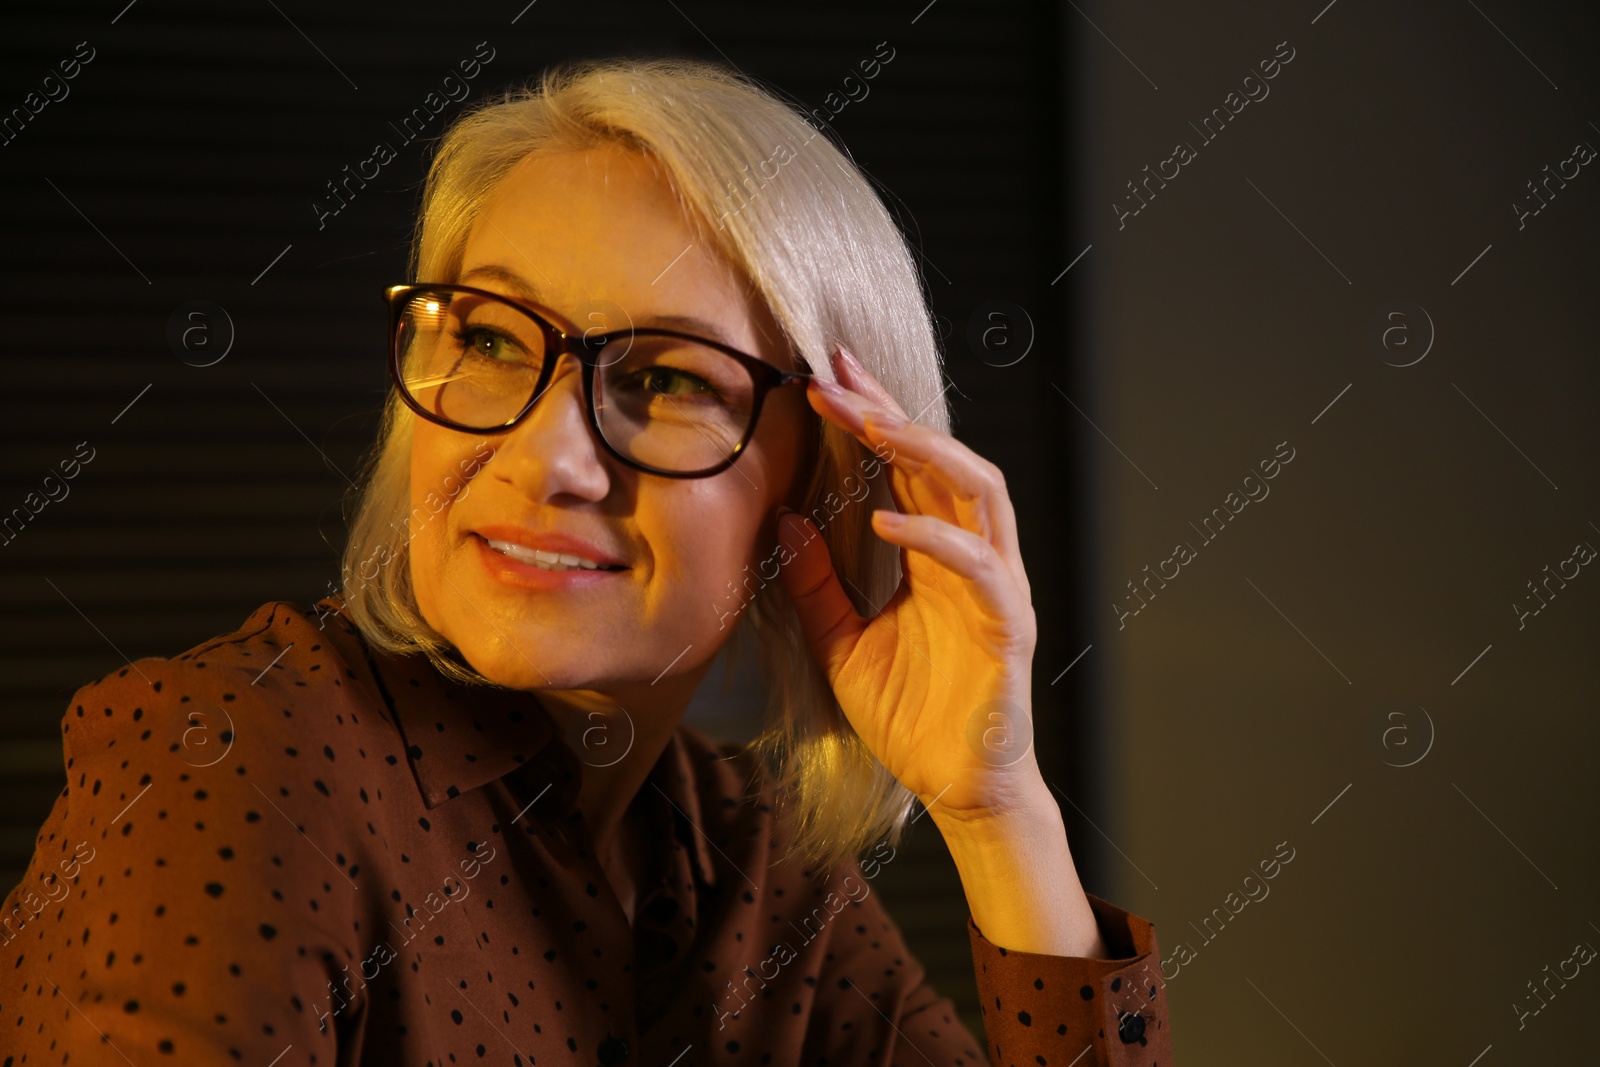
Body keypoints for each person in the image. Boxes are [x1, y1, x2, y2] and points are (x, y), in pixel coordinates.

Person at [0, 56, 1173, 1065]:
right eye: (493, 340)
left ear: (823, 482)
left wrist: (995, 806)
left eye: (665, 379)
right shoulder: (237, 760)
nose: (543, 457)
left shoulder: (751, 864)